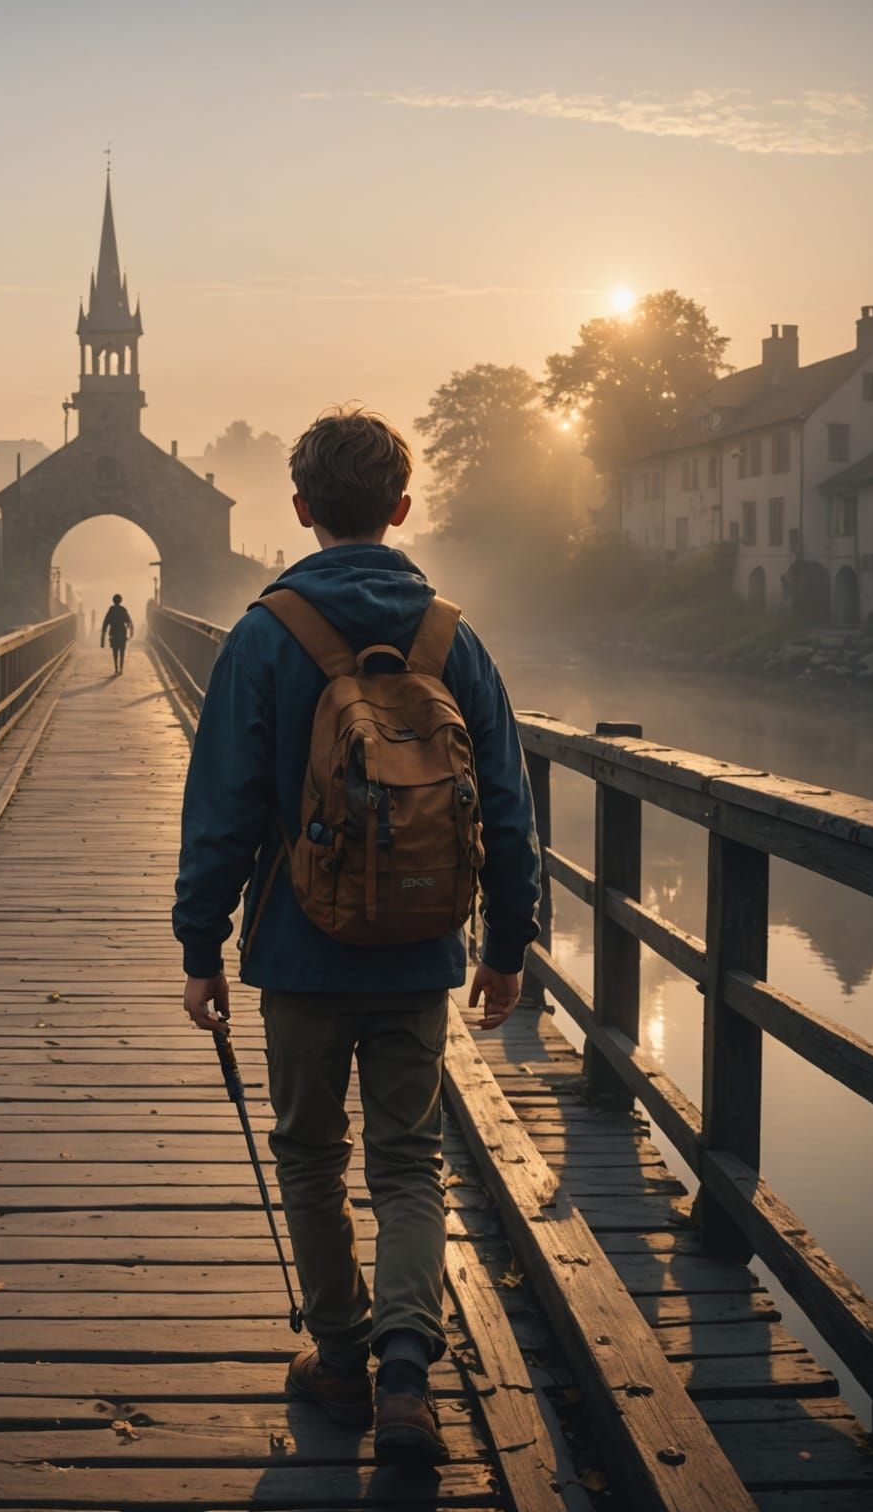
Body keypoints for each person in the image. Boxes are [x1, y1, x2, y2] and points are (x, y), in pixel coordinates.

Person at [172, 406, 540, 1465]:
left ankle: (338, 1355)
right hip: (423, 948)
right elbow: (506, 802)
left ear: (299, 508)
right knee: (412, 1162)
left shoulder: (262, 634)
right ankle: (409, 1378)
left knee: (308, 1154)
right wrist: (507, 946)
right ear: (402, 507)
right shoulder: (449, 636)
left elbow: (226, 808)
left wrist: (202, 946)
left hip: (299, 949)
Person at [100, 593, 134, 675]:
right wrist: (131, 633)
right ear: (121, 601)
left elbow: (105, 624)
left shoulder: (111, 611)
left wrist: (102, 639)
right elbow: (129, 622)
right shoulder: (123, 610)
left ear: (113, 600)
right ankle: (121, 668)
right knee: (122, 652)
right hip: (122, 634)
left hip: (113, 634)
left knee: (115, 652)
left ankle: (116, 668)